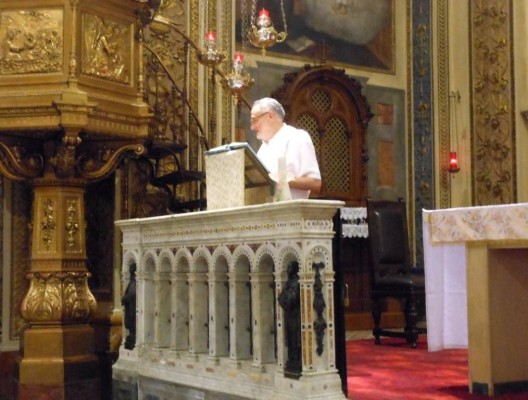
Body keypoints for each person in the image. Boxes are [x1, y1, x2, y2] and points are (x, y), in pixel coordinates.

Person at [251, 97, 322, 199]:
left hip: (291, 212)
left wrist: (281, 180)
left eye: (254, 120)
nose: (252, 127)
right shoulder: (263, 148)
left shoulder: (297, 137)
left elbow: (315, 183)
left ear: (270, 115)